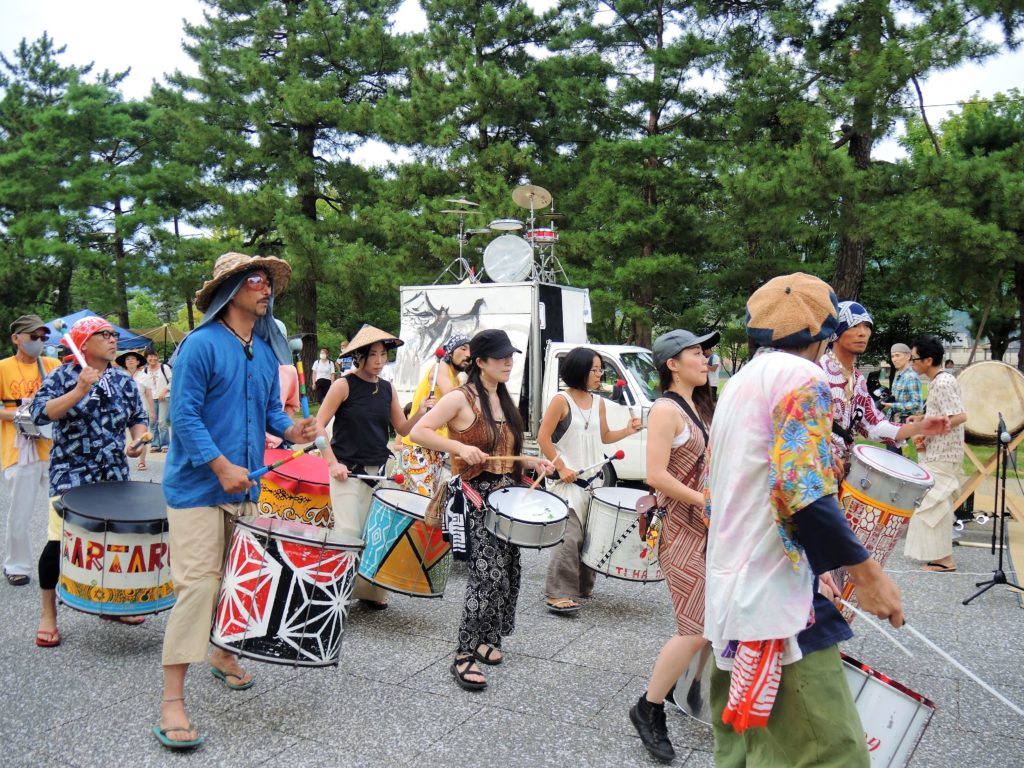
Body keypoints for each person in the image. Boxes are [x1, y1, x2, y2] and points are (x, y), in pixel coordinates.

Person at [705, 273, 906, 766]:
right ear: (824, 333)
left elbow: (721, 492)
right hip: (775, 604)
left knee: (745, 748)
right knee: (831, 753)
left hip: (733, 591)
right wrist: (867, 574)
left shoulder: (739, 384)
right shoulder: (804, 378)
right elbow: (803, 491)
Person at [155, 252, 317, 750]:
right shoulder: (199, 346)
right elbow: (181, 417)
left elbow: (270, 411)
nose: (266, 289)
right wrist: (220, 465)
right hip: (198, 488)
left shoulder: (265, 351)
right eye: (255, 281)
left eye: (269, 282)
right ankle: (171, 701)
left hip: (246, 486)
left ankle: (223, 655)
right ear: (230, 291)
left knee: (235, 582)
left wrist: (294, 429)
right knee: (199, 587)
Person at [410, 329, 556, 692]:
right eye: (501, 357)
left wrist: (533, 463)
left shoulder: (504, 398)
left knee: (508, 573)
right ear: (480, 362)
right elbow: (419, 432)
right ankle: (463, 655)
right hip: (475, 497)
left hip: (508, 496)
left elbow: (509, 452)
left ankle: (485, 638)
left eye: (511, 356)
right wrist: (457, 447)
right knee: (487, 577)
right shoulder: (461, 398)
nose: (509, 362)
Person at [30, 317, 149, 647]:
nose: (113, 340)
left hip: (113, 473)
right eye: (105, 335)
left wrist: (138, 440)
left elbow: (138, 418)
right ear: (83, 343)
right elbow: (40, 413)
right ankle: (48, 614)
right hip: (71, 473)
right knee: (60, 542)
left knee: (115, 543)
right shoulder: (62, 375)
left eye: (114, 334)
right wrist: (80, 389)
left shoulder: (123, 381)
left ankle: (114, 603)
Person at [629, 330, 716, 762]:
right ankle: (649, 708)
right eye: (696, 353)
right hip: (680, 527)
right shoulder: (666, 409)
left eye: (705, 352)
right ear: (672, 364)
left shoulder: (697, 407)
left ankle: (686, 693)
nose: (705, 359)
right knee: (695, 626)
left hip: (703, 527)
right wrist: (707, 501)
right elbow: (655, 475)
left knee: (709, 620)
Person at [316, 324, 434, 609]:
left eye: (383, 354)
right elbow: (317, 427)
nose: (380, 361)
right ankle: (337, 594)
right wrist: (332, 463)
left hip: (378, 471)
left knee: (374, 533)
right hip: (346, 473)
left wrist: (419, 411)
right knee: (348, 532)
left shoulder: (387, 389)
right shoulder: (343, 385)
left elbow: (402, 428)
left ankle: (369, 593)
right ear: (359, 356)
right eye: (374, 355)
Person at [537, 347, 640, 614]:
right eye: (595, 369)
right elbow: (543, 438)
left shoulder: (599, 402)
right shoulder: (561, 400)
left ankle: (582, 587)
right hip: (567, 485)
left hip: (593, 484)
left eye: (600, 369)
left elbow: (604, 436)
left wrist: (627, 431)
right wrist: (561, 466)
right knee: (569, 538)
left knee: (590, 537)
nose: (599, 374)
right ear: (580, 370)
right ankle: (557, 592)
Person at [820, 301, 945, 473]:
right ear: (836, 331)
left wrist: (918, 427)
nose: (863, 333)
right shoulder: (817, 371)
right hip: (816, 470)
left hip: (843, 469)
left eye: (867, 326)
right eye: (855, 326)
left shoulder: (857, 379)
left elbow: (873, 425)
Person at [0, 315, 60, 586]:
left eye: (42, 337)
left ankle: (66, 563)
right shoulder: (3, 368)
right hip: (18, 449)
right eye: (33, 337)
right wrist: (19, 417)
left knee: (63, 508)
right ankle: (16, 565)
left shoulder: (52, 365)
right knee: (19, 512)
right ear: (16, 338)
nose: (38, 342)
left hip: (53, 448)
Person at [905, 335, 967, 573]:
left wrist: (923, 429)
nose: (912, 364)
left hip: (944, 454)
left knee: (933, 506)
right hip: (939, 451)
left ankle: (945, 559)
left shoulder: (941, 383)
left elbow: (960, 416)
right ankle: (939, 556)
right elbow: (945, 412)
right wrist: (922, 420)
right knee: (934, 505)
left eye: (915, 359)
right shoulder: (940, 381)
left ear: (928, 360)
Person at [399, 333, 471, 497]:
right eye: (463, 348)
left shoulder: (457, 380)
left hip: (435, 446)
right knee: (419, 504)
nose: (468, 354)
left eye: (471, 351)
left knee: (430, 504)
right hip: (419, 447)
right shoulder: (440, 367)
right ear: (450, 353)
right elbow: (451, 395)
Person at [116, 350, 153, 469]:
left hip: (140, 410)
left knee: (141, 437)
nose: (130, 361)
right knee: (120, 436)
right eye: (127, 359)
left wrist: (152, 411)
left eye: (133, 359)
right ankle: (120, 459)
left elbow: (148, 394)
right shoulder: (119, 376)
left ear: (138, 362)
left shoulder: (144, 376)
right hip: (122, 410)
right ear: (124, 363)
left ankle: (142, 461)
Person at [885, 342, 925, 451]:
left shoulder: (911, 377)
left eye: (897, 355)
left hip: (904, 423)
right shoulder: (899, 374)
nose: (894, 359)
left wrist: (892, 405)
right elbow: (895, 397)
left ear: (908, 356)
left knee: (895, 458)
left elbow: (917, 405)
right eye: (892, 356)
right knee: (892, 457)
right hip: (893, 422)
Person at [145, 350, 172, 452]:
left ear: (157, 356)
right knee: (152, 422)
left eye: (154, 356)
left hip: (163, 397)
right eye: (149, 357)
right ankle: (155, 444)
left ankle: (165, 445)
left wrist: (164, 391)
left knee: (162, 422)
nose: (152, 359)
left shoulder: (164, 367)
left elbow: (172, 381)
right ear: (146, 358)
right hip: (151, 399)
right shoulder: (145, 371)